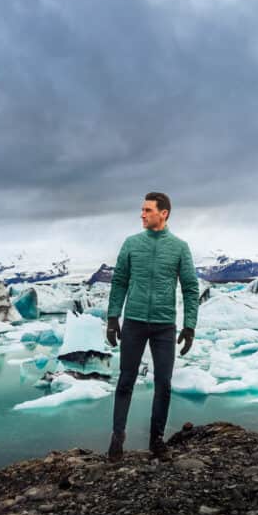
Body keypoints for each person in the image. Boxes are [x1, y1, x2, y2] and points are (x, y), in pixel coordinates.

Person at [105, 191, 200, 461]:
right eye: (142, 210)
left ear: (164, 213)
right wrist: (113, 317)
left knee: (164, 383)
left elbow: (191, 288)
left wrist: (189, 326)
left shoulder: (180, 247)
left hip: (163, 325)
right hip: (134, 322)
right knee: (125, 380)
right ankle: (117, 438)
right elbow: (120, 281)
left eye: (147, 210)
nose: (142, 214)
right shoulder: (132, 244)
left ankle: (156, 440)